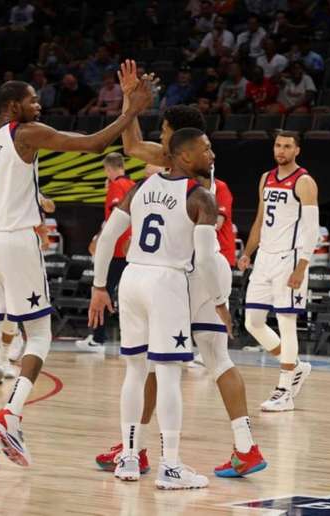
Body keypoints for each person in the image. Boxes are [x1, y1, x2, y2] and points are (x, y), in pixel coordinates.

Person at [0, 78, 152, 470]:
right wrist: (131, 111)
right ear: (12, 107)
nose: (39, 106)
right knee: (39, 334)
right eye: (32, 101)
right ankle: (11, 414)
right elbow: (92, 144)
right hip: (15, 242)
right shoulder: (26, 133)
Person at [93, 59, 265, 481]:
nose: (160, 140)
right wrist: (130, 106)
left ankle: (142, 448)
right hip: (192, 265)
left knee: (158, 364)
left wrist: (132, 108)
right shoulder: (193, 161)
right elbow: (135, 145)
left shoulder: (186, 166)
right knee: (206, 358)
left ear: (176, 141)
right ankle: (240, 446)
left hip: (192, 269)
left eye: (164, 133)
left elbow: (132, 148)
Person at [88, 127, 220, 489]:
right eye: (205, 149)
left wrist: (100, 285)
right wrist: (220, 302)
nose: (211, 155)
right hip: (166, 282)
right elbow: (207, 261)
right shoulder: (201, 197)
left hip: (131, 279)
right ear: (186, 156)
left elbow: (106, 239)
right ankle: (171, 466)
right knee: (167, 374)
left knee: (134, 371)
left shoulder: (140, 188)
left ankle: (130, 458)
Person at [238, 131, 320, 413]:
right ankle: (295, 367)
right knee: (253, 322)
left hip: (290, 258)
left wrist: (302, 266)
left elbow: (312, 230)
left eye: (287, 146)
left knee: (286, 321)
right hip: (265, 258)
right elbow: (260, 220)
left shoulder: (304, 182)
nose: (281, 150)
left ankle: (285, 389)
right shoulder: (265, 177)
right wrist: (248, 252)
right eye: (277, 145)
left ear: (297, 150)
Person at [76, 152, 135, 352]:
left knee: (102, 292)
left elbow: (114, 221)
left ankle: (98, 339)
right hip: (132, 251)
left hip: (116, 250)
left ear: (107, 169)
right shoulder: (134, 185)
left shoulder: (117, 186)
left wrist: (98, 239)